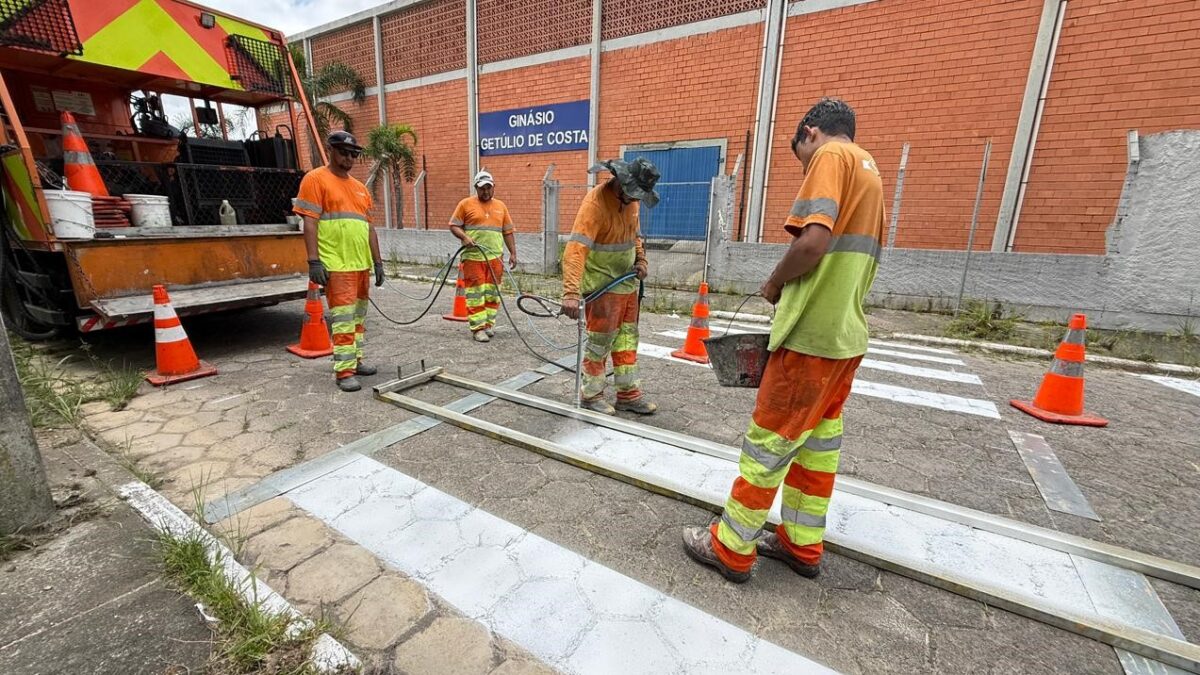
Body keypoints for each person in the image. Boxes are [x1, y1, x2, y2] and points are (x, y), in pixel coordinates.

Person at [682, 98, 885, 582]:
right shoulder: (871, 171)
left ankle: (731, 547)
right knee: (817, 448)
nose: (804, 165)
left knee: (768, 445)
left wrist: (774, 283)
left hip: (811, 337)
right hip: (845, 336)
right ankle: (801, 542)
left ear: (810, 132)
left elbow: (813, 242)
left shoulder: (830, 158)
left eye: (800, 155)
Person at [561, 158, 659, 416]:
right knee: (599, 343)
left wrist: (641, 259)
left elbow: (634, 235)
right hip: (602, 286)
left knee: (627, 340)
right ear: (622, 181)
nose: (635, 199)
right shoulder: (595, 205)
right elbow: (576, 249)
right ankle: (591, 394)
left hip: (627, 285)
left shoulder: (632, 202)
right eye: (633, 193)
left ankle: (628, 394)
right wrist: (571, 292)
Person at [293, 130, 385, 393]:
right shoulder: (315, 179)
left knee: (357, 319)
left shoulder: (359, 189)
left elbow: (369, 228)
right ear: (330, 150)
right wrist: (314, 261)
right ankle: (343, 372)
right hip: (337, 264)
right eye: (343, 152)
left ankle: (355, 361)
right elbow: (309, 222)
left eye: (352, 154)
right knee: (343, 320)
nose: (348, 158)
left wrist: (377, 262)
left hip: (360, 264)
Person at [449, 170, 517, 342]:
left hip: (495, 258)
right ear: (476, 188)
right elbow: (454, 225)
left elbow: (507, 231)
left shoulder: (501, 207)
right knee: (475, 293)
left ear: (494, 187)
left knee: (493, 293)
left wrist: (513, 253)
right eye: (482, 189)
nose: (485, 192)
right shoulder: (465, 204)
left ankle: (489, 324)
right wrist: (464, 237)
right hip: (473, 258)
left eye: (488, 188)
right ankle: (477, 328)